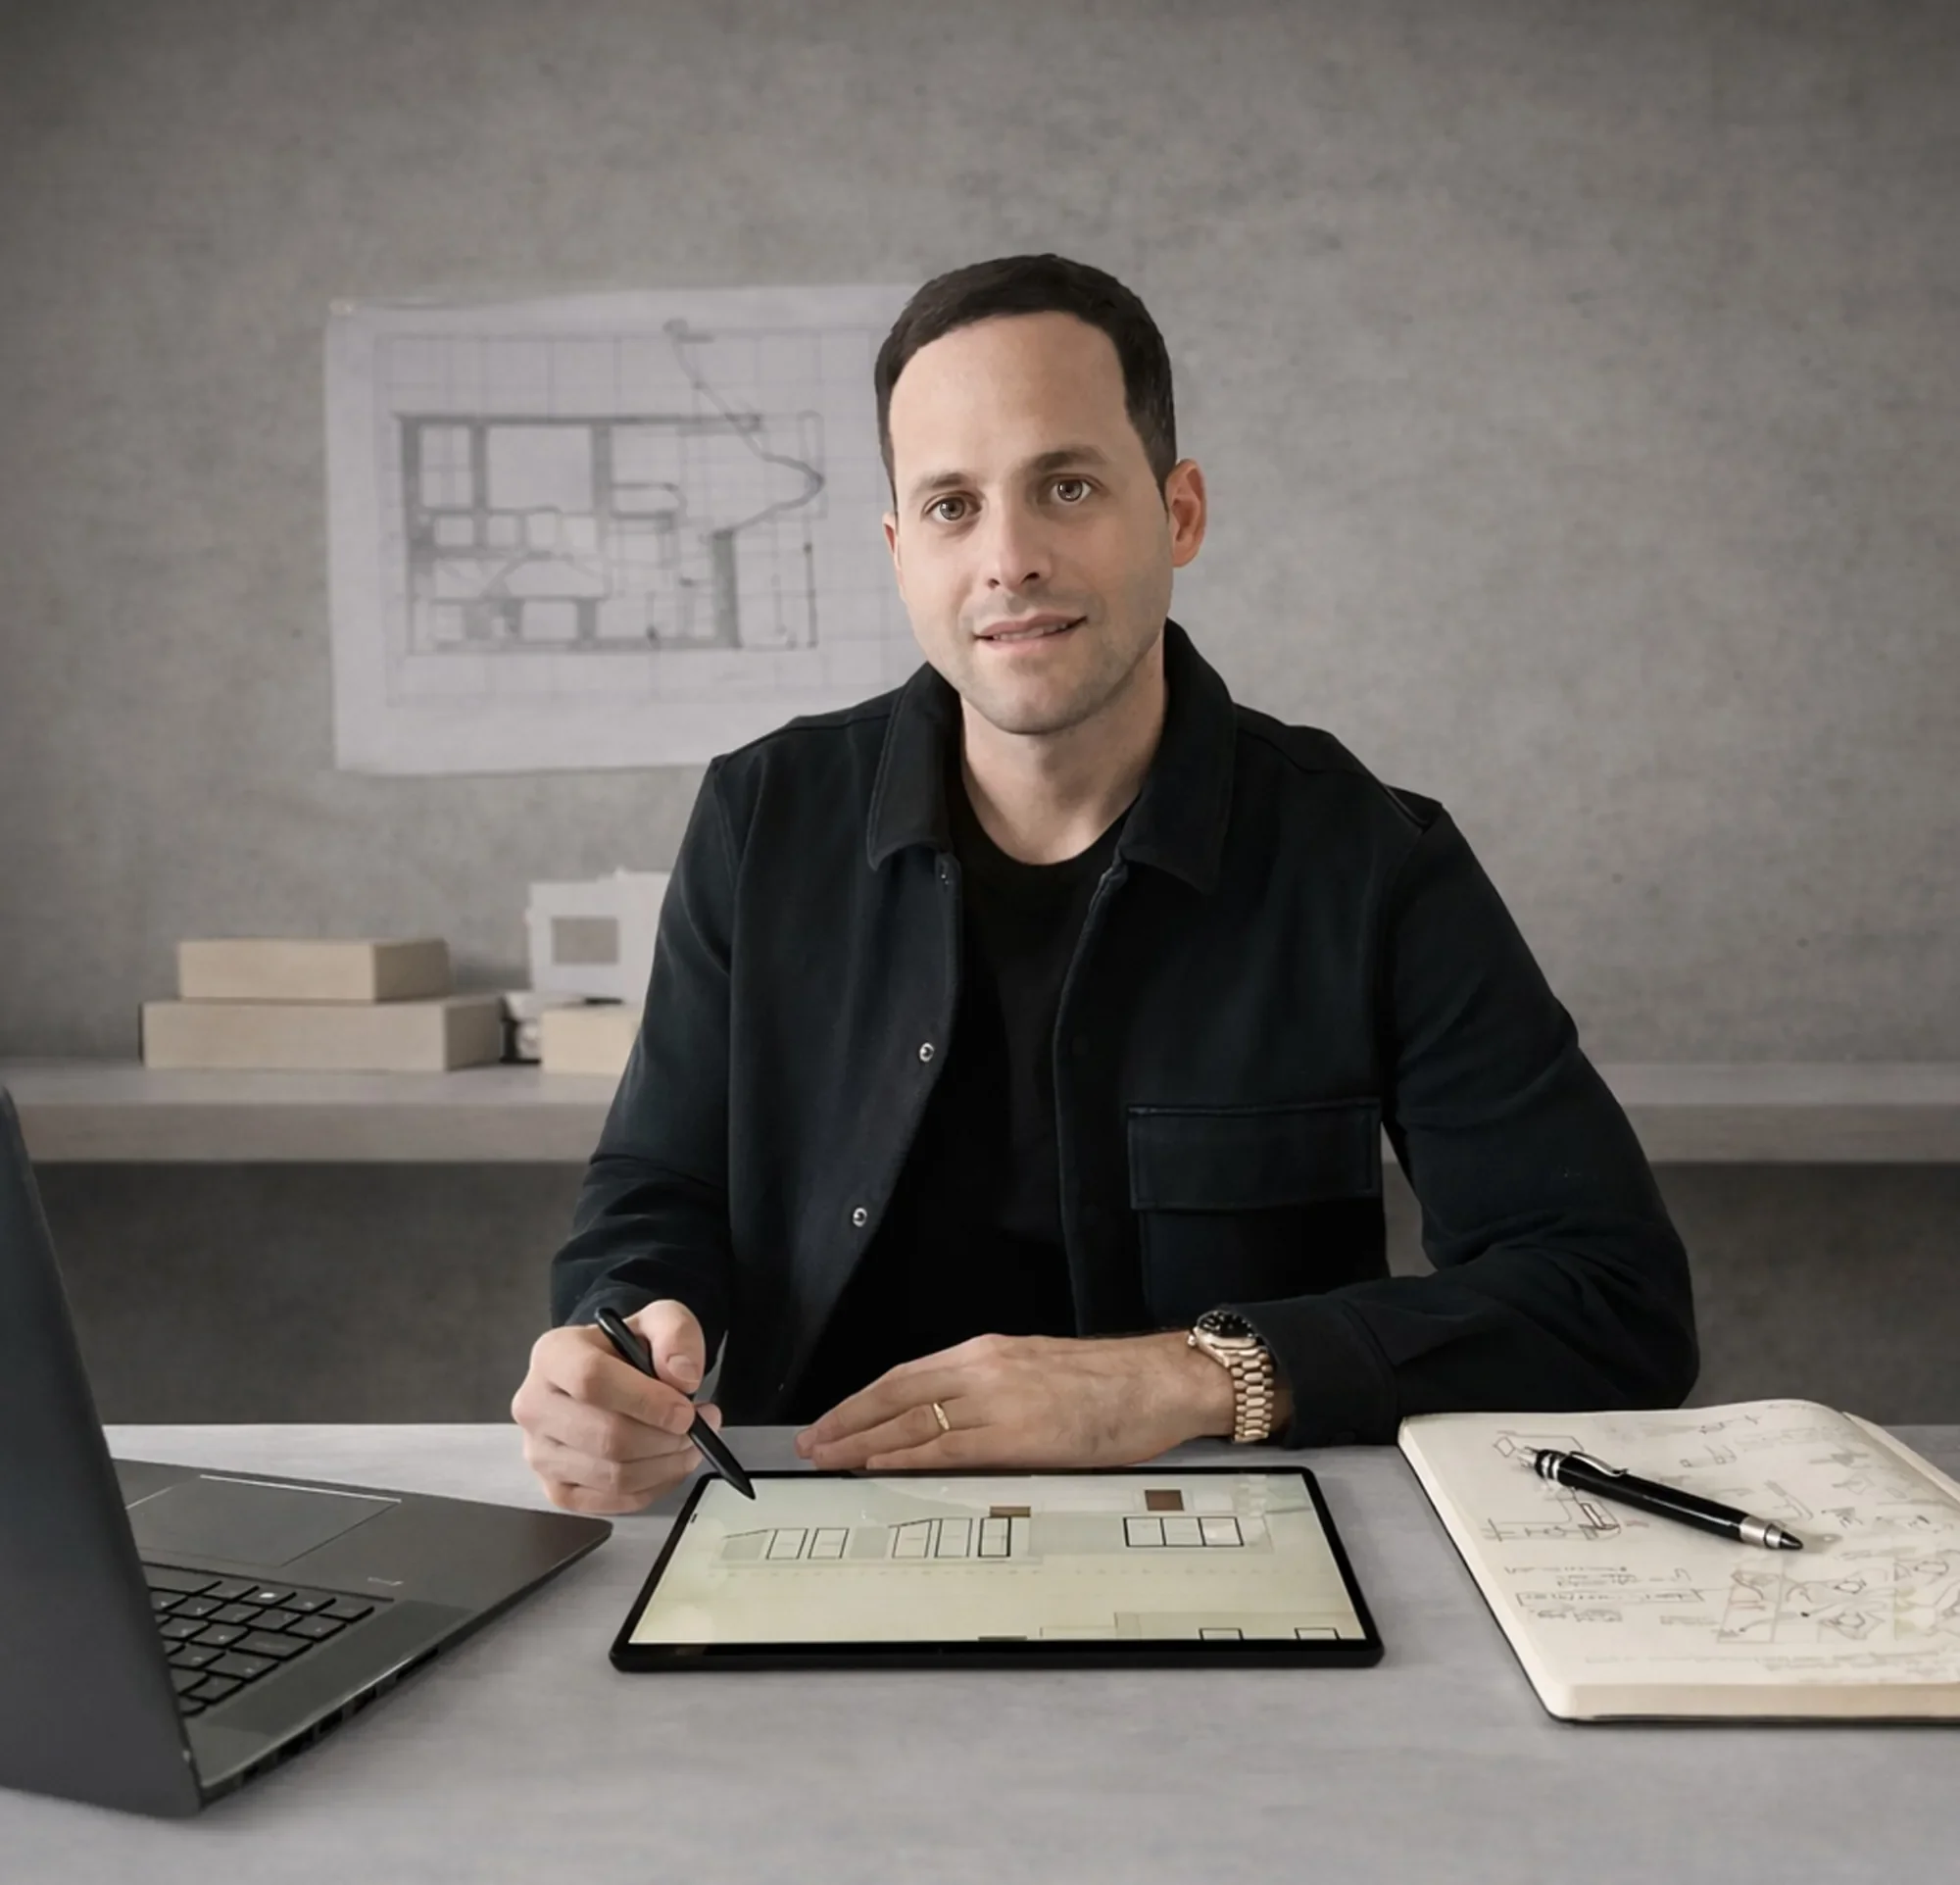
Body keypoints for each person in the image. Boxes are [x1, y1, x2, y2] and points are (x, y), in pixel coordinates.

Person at [510, 253, 1697, 1514]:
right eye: (953, 506)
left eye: (1064, 486)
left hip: (1235, 1524)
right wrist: (614, 1342)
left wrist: (1184, 1378)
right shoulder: (760, 818)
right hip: (807, 1510)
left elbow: (1607, 1300)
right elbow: (659, 1189)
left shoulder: (1370, 858)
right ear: (899, 549)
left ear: (1178, 513)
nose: (1007, 559)